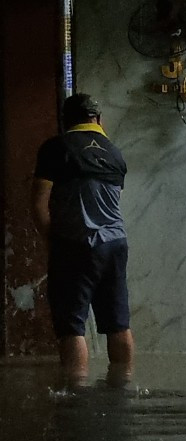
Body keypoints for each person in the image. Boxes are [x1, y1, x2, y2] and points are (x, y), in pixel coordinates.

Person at [31, 93, 134, 387]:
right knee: (118, 323)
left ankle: (76, 398)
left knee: (72, 327)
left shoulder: (56, 148)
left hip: (74, 244)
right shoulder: (115, 153)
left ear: (66, 121)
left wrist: (52, 240)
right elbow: (111, 204)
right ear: (98, 120)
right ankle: (123, 388)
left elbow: (38, 201)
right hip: (115, 246)